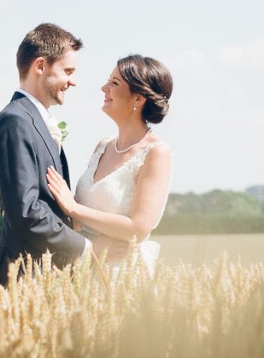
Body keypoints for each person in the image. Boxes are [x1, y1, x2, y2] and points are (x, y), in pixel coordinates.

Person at [46, 55, 173, 277]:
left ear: (138, 98)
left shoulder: (156, 153)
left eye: (114, 83)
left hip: (121, 273)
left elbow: (139, 229)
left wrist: (73, 208)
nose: (104, 88)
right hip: (84, 267)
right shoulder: (102, 146)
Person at [0, 23, 92, 286]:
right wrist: (82, 248)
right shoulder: (15, 121)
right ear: (41, 66)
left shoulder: (34, 119)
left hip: (47, 274)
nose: (73, 81)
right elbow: (24, 211)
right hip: (24, 275)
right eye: (68, 71)